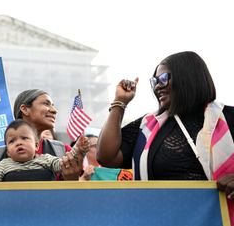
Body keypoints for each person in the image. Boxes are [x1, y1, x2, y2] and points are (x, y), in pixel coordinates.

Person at [97, 51, 234, 223]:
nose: (157, 86)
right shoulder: (146, 126)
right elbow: (105, 156)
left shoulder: (228, 118)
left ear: (188, 76)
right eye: (154, 82)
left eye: (163, 79)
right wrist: (120, 103)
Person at [0, 89, 84, 182]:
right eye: (46, 104)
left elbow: (71, 198)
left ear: (36, 145)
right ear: (24, 109)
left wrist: (71, 178)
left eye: (53, 105)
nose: (54, 110)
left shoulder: (63, 150)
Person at [0, 120, 89, 182]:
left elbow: (65, 163)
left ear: (36, 145)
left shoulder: (46, 159)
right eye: (12, 141)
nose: (18, 143)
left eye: (24, 138)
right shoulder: (3, 165)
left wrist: (78, 149)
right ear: (8, 152)